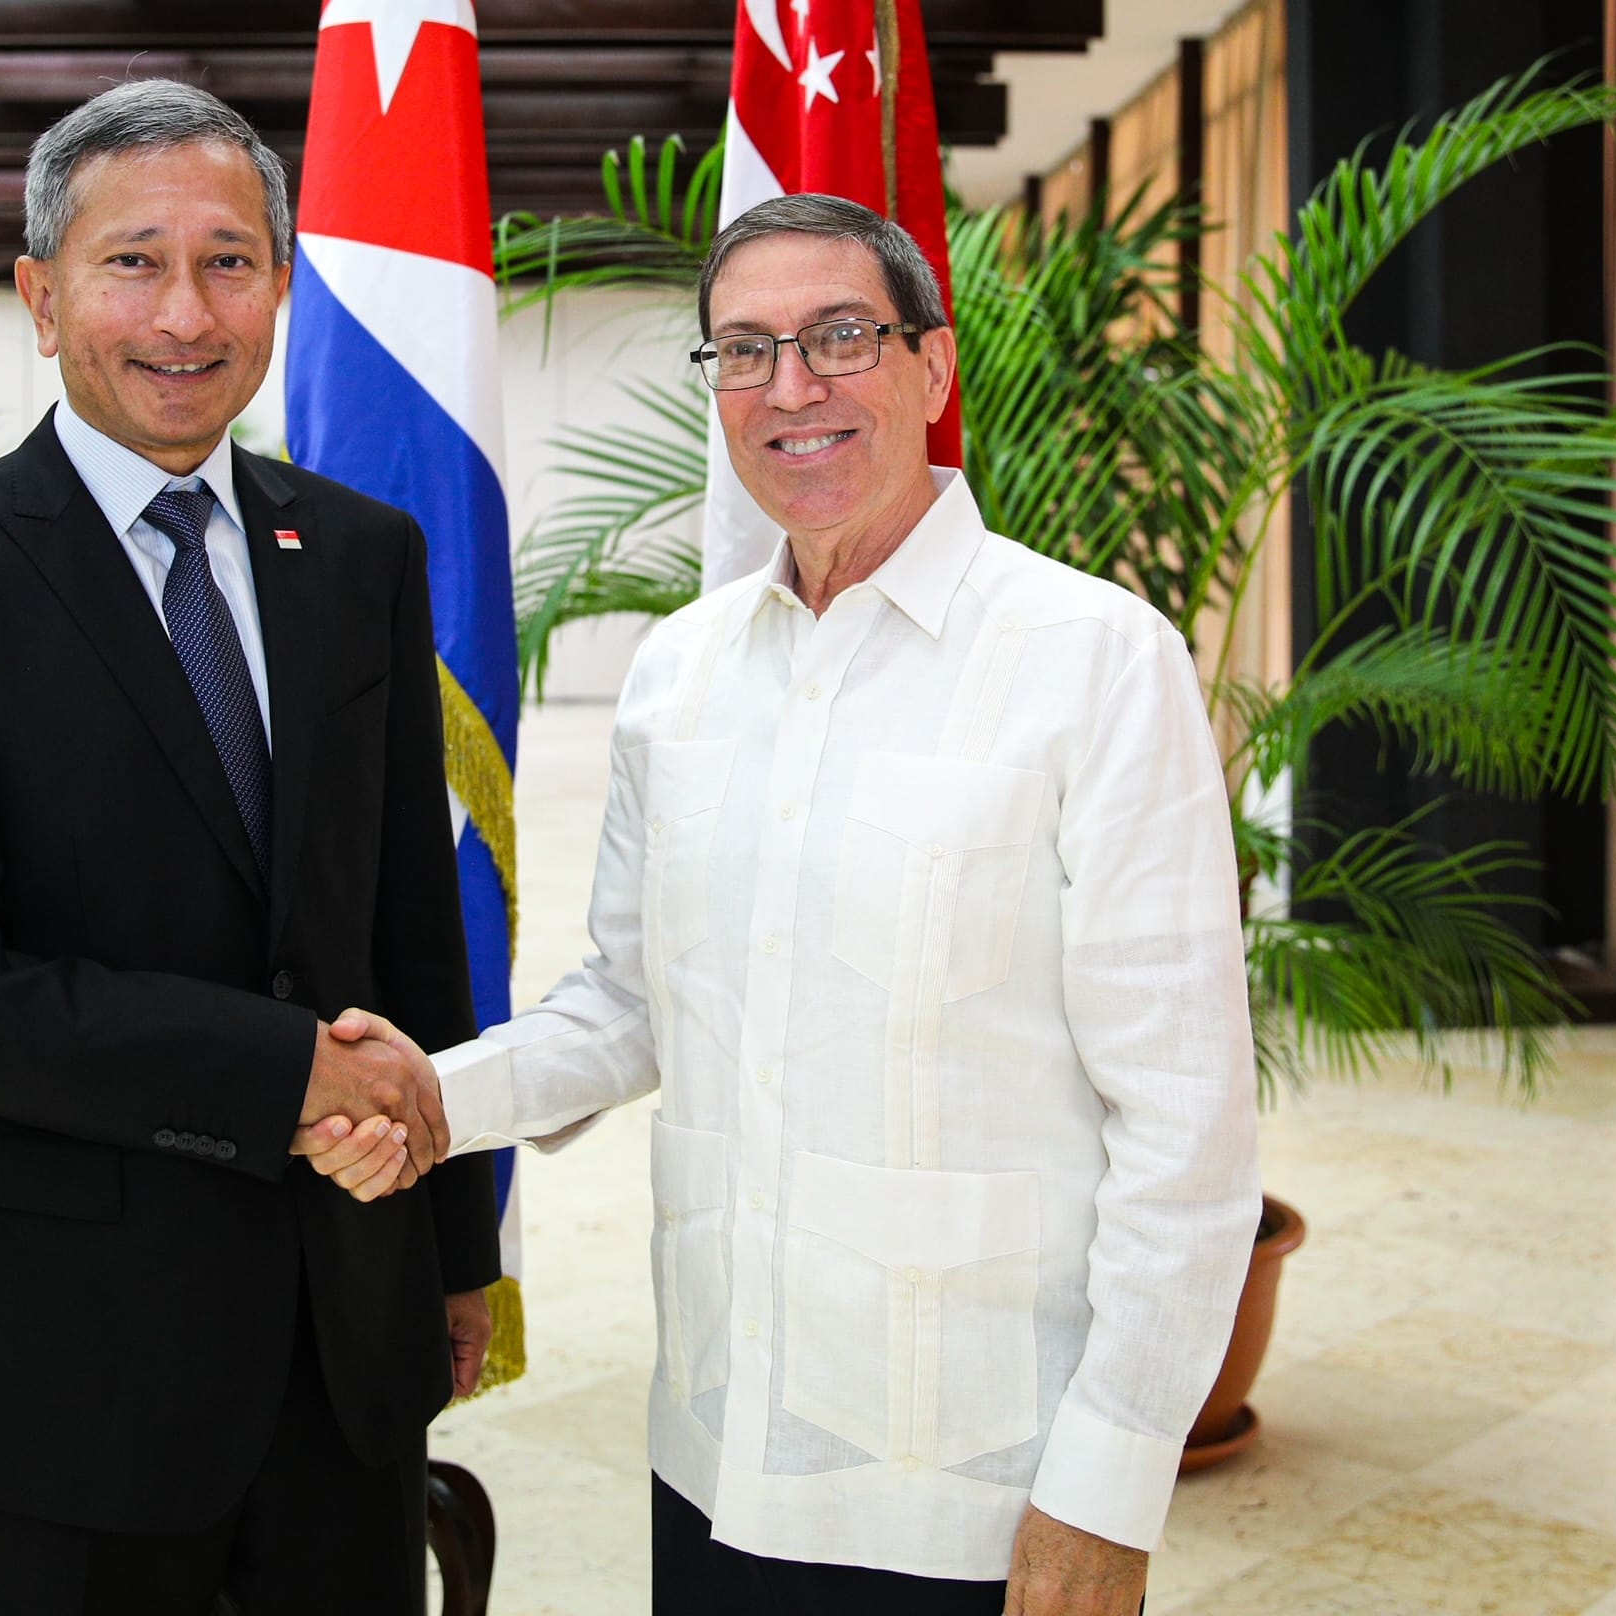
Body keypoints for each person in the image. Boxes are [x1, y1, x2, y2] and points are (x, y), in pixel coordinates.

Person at [303, 195, 1263, 1616]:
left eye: (839, 337)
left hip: (971, 1486)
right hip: (716, 1439)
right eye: (743, 351)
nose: (790, 387)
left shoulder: (1093, 662)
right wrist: (429, 1096)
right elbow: (630, 1004)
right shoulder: (680, 675)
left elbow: (1183, 1125)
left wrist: (1106, 1489)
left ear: (931, 369)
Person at [0, 79, 499, 1616]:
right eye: (132, 262)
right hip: (56, 1375)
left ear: (280, 285)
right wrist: (278, 1073)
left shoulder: (360, 556)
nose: (184, 314)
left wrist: (457, 1250)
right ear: (41, 297)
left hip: (343, 1339)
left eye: (229, 261)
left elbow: (405, 924)